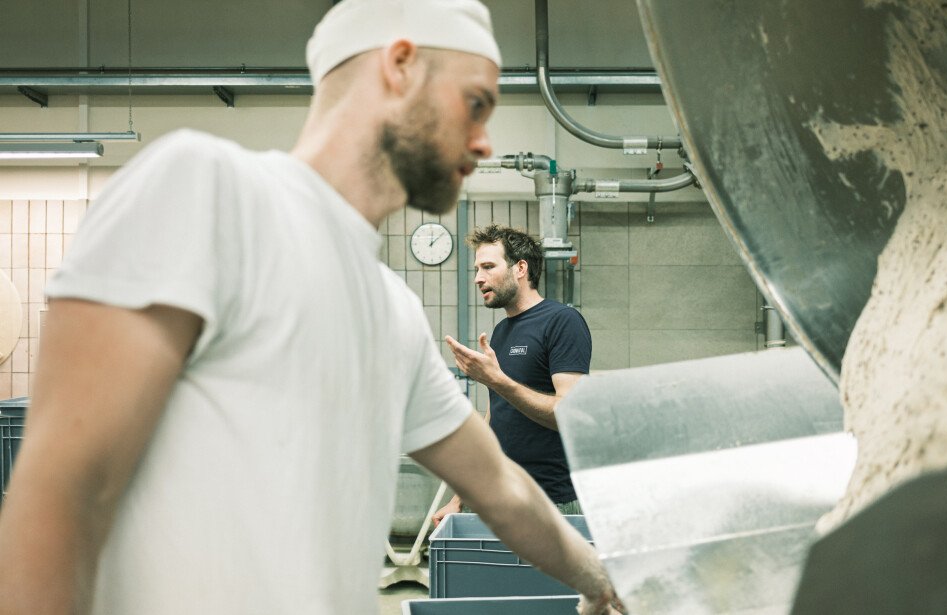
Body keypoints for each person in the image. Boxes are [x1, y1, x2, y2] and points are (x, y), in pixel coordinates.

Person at [0, 1, 625, 614]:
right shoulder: (206, 191)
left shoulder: (393, 311)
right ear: (400, 66)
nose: (485, 144)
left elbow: (502, 488)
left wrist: (601, 579)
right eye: (476, 105)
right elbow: (62, 493)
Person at [433, 224, 592, 525]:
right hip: (501, 497)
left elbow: (569, 413)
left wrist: (497, 380)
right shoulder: (501, 331)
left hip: (550, 503)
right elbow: (495, 418)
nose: (478, 278)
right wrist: (459, 499)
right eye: (477, 269)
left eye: (488, 267)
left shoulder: (562, 321)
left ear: (520, 268)